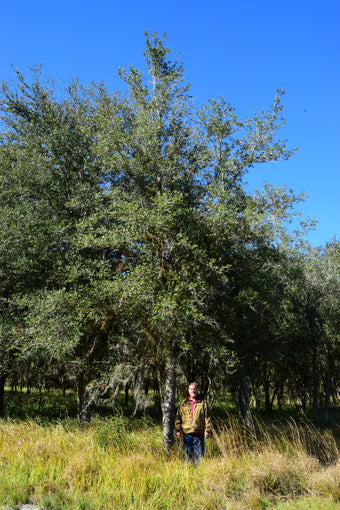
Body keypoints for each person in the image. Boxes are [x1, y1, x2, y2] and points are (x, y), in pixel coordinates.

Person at [175, 382, 212, 464]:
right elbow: (178, 418)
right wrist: (178, 430)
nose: (193, 390)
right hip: (187, 433)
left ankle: (199, 472)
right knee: (189, 454)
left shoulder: (203, 403)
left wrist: (207, 430)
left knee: (200, 455)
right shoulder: (183, 403)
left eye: (195, 389)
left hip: (199, 433)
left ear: (197, 390)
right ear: (188, 391)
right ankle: (190, 470)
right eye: (191, 389)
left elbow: (207, 418)